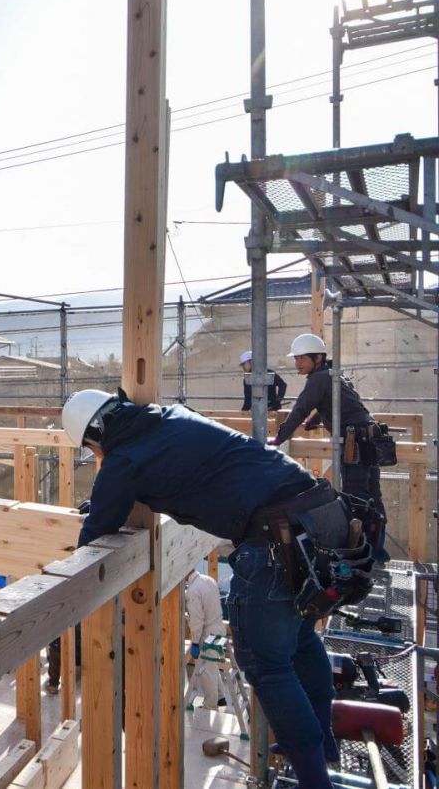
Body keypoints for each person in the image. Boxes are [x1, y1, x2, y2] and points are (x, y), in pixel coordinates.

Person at [62, 388, 373, 788]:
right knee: (300, 640)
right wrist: (105, 497)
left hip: (277, 538)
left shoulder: (124, 459)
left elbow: (96, 532)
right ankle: (319, 746)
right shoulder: (170, 417)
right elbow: (172, 470)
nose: (98, 454)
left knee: (266, 663)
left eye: (93, 446)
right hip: (321, 515)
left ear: (97, 432)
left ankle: (314, 777)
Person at [271, 333, 388, 562]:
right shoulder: (334, 375)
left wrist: (279, 438)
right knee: (372, 493)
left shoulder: (319, 379)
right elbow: (338, 403)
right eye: (296, 359)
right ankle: (378, 550)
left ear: (317, 358)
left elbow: (301, 408)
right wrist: (314, 422)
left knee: (356, 497)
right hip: (369, 437)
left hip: (355, 440)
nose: (298, 364)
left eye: (302, 359)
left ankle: (364, 552)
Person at [184, 569, 226, 710]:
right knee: (212, 666)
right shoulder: (208, 580)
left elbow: (197, 620)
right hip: (219, 627)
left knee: (206, 671)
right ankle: (220, 697)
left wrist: (195, 642)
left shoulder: (193, 591)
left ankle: (210, 706)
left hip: (207, 633)